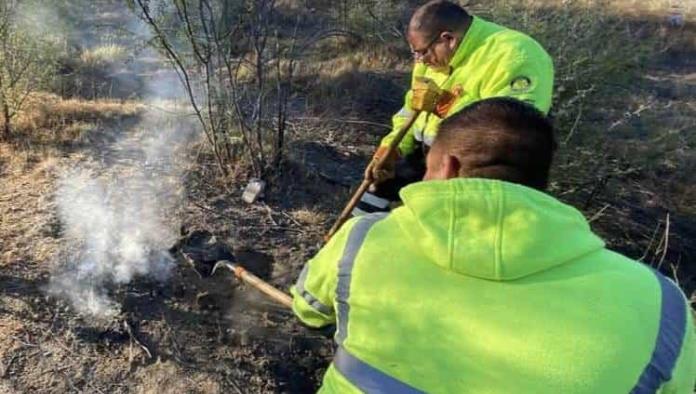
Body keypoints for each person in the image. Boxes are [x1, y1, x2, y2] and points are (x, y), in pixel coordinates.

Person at [292, 98, 696, 393]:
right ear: (540, 179)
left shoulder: (365, 237)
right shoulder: (663, 305)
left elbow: (308, 309)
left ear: (447, 168)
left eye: (427, 167)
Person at [354, 0, 554, 216]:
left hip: (473, 169)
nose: (419, 61)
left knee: (432, 225)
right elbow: (412, 107)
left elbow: (508, 133)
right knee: (369, 200)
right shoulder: (429, 60)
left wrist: (447, 113)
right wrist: (392, 148)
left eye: (422, 52)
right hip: (428, 155)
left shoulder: (514, 55)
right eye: (415, 53)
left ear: (448, 39)